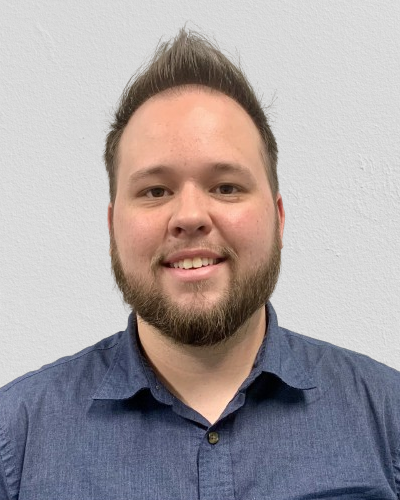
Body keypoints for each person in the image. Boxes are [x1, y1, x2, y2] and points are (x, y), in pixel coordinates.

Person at [1, 28, 399, 500]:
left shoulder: (387, 418)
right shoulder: (16, 438)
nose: (189, 216)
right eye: (155, 191)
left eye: (226, 187)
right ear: (112, 228)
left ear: (278, 218)